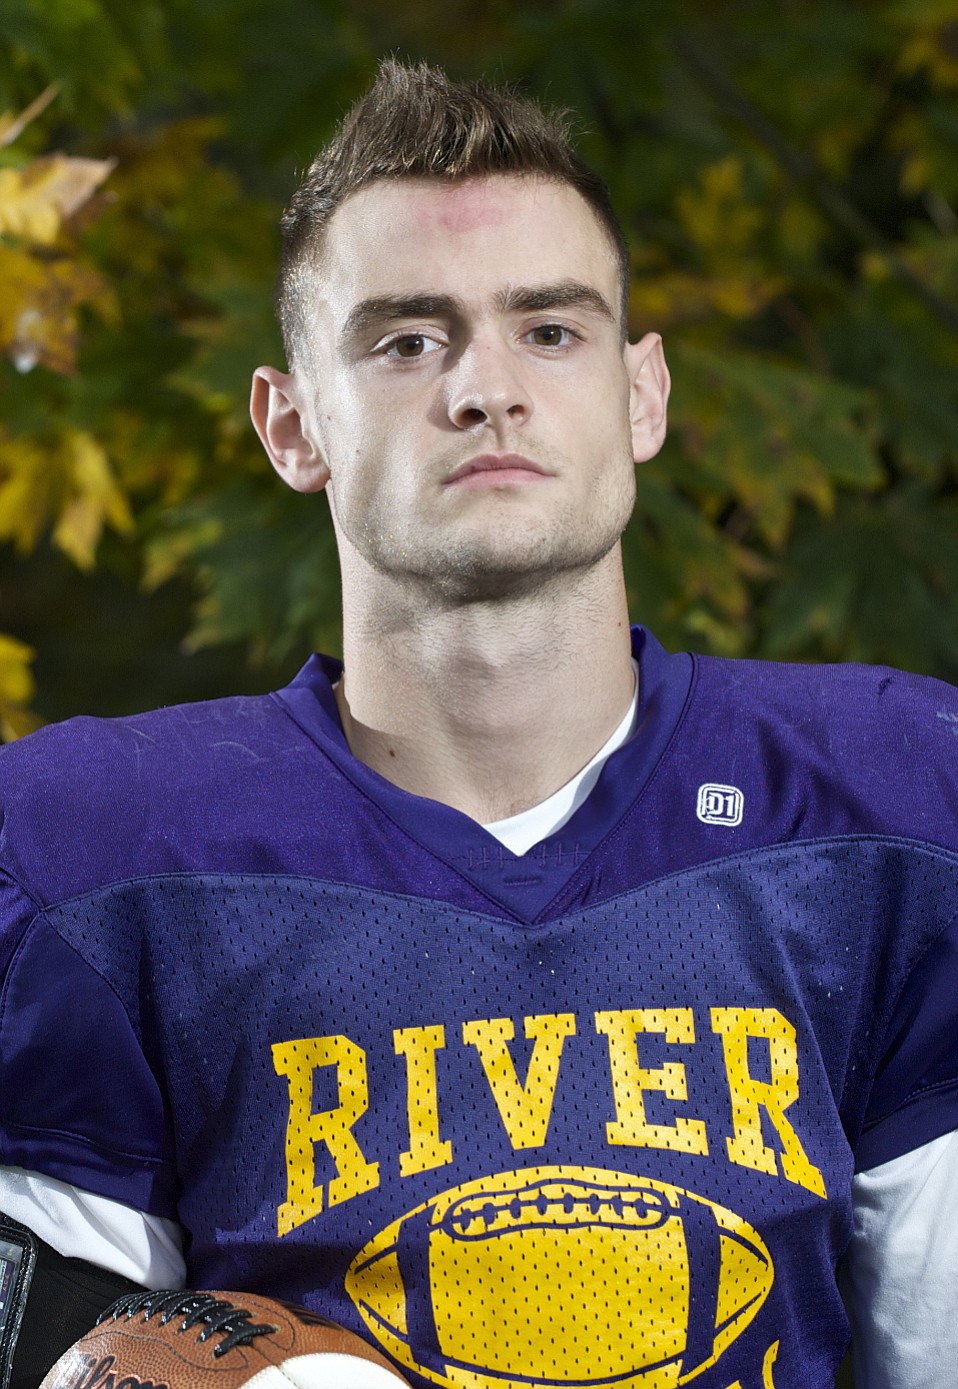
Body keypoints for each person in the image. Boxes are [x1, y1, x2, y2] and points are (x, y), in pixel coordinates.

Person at [1, 57, 957, 1389]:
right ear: (289, 424)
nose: (483, 388)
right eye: (405, 340)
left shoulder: (891, 806)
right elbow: (73, 1352)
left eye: (548, 330)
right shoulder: (99, 850)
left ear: (643, 395)